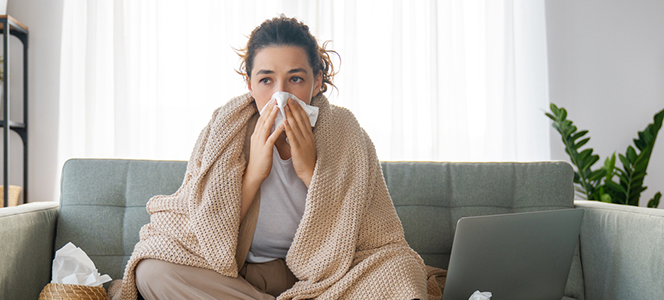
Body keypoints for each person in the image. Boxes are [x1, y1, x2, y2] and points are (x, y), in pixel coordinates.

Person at [110, 15, 428, 300]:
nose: (281, 94)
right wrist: (254, 175)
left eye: (296, 79)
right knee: (152, 271)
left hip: (329, 276)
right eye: (266, 80)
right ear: (249, 84)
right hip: (241, 274)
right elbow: (202, 230)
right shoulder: (225, 128)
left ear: (317, 81)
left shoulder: (345, 133)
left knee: (402, 271)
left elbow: (375, 238)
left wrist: (311, 172)